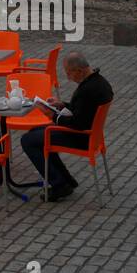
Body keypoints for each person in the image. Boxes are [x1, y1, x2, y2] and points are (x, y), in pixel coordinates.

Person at [21, 51, 114, 202]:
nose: (68, 78)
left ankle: (59, 185)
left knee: (28, 140)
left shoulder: (86, 90)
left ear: (79, 71)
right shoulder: (99, 82)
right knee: (35, 133)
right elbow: (84, 111)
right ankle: (65, 180)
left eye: (69, 73)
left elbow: (77, 123)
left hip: (82, 137)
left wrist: (53, 116)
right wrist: (62, 104)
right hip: (92, 134)